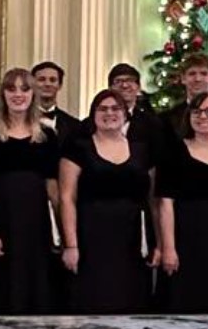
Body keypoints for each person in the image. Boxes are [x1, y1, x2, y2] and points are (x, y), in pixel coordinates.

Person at [59, 89, 155, 314]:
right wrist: (71, 245)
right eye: (102, 109)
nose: (109, 113)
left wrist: (158, 244)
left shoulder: (142, 150)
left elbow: (154, 200)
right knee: (93, 300)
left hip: (132, 239)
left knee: (130, 302)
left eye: (115, 108)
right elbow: (66, 197)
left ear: (125, 114)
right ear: (93, 115)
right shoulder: (78, 147)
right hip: (91, 237)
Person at [0, 68, 61, 313]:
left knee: (35, 287)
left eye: (24, 89)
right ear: (3, 94)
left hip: (36, 224)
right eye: (11, 89)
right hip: (0, 221)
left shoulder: (47, 136)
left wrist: (63, 232)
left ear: (33, 94)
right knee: (1, 287)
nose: (18, 94)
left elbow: (53, 188)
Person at [155, 91, 208, 313]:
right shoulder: (173, 151)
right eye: (197, 111)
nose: (203, 116)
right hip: (186, 238)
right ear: (189, 116)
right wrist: (169, 248)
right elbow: (165, 203)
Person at [32, 60, 76, 141]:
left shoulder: (75, 126)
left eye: (52, 80)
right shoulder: (18, 119)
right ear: (32, 84)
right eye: (41, 79)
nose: (47, 84)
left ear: (60, 85)